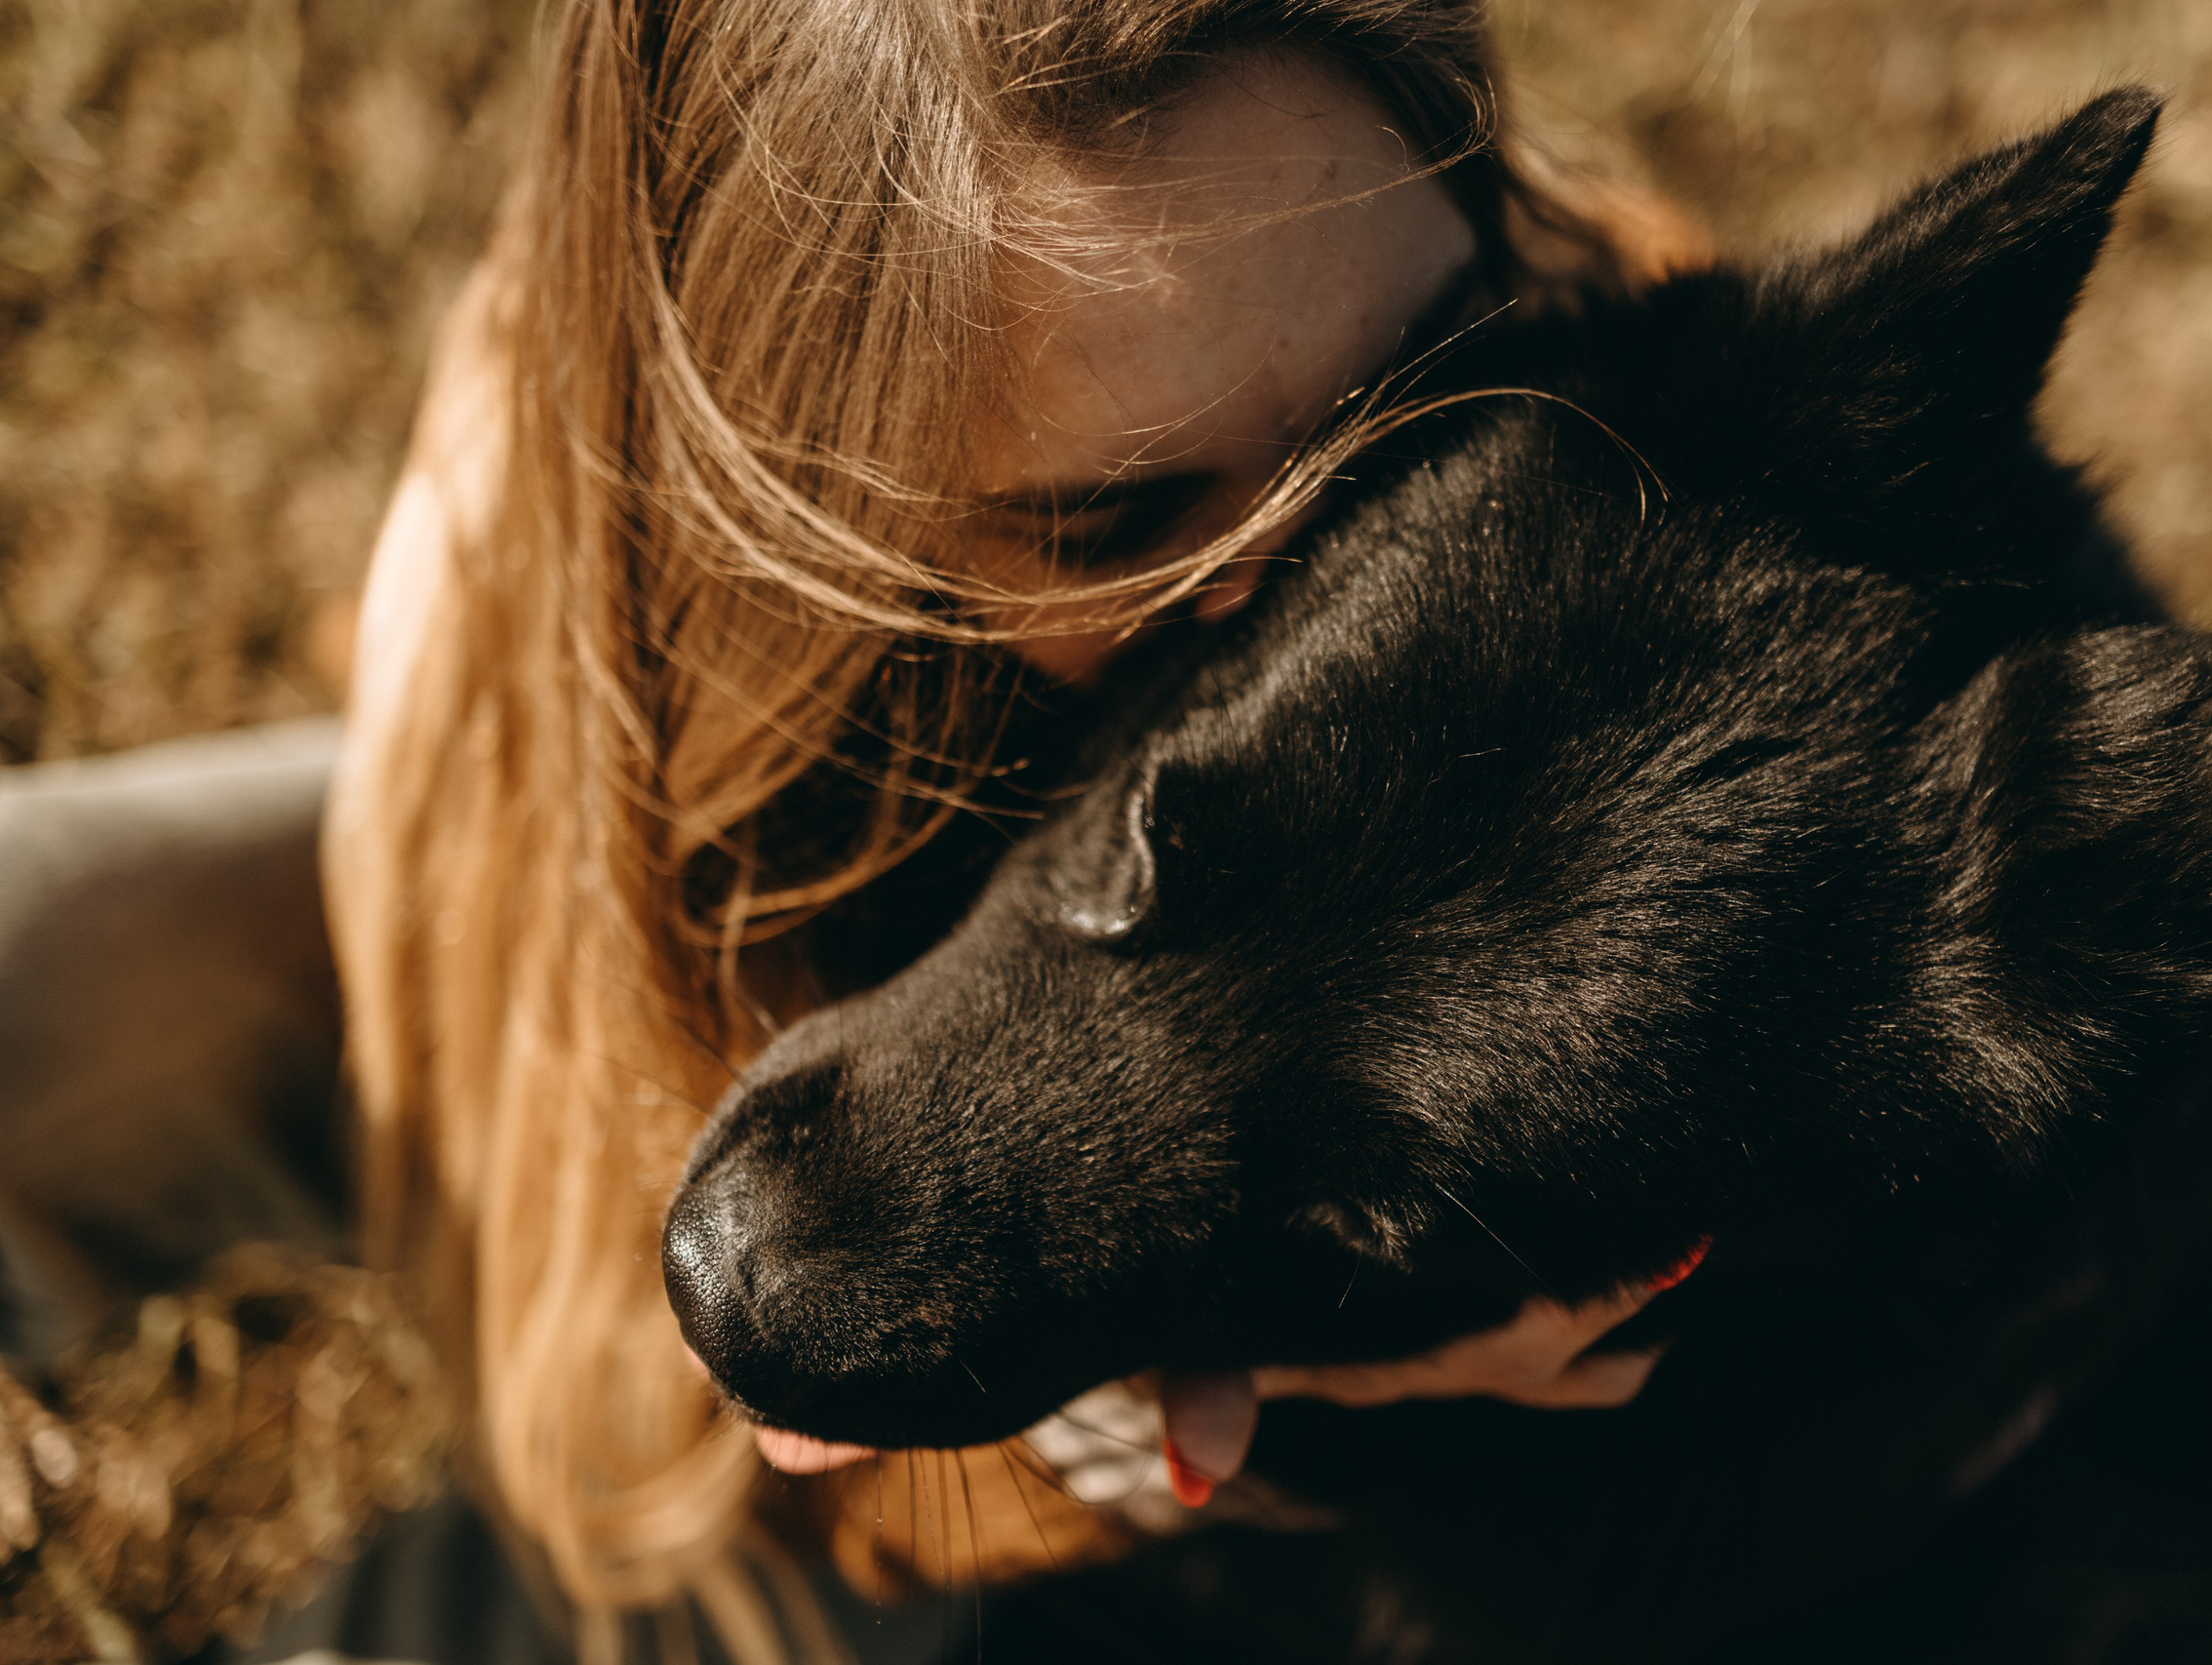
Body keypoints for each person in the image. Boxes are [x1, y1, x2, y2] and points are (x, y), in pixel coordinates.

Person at [316, 0, 1709, 1656]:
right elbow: (673, 1442)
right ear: (816, 518)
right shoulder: (617, 758)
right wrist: (1190, 1413)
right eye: (1121, 521)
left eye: (1428, 393)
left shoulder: (1620, 389)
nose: (1344, 574)